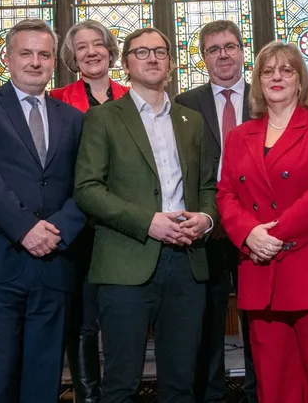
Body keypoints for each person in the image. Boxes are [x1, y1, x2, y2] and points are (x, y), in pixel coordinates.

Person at [74, 27, 217, 403]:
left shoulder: (191, 121)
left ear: (171, 62)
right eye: (141, 52)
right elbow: (87, 189)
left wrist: (206, 219)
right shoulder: (103, 118)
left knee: (181, 383)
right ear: (125, 63)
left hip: (187, 263)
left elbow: (207, 188)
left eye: (160, 51)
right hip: (126, 262)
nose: (152, 58)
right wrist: (147, 221)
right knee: (121, 384)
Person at [216, 41, 308, 402]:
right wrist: (248, 233)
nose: (276, 77)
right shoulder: (238, 137)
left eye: (286, 70)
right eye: (268, 71)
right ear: (258, 82)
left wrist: (272, 235)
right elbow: (225, 194)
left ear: (300, 81)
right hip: (260, 273)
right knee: (274, 386)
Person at [0, 19, 86, 403]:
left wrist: (58, 229)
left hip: (53, 266)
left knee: (42, 385)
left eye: (44, 54)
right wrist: (25, 228)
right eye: (25, 53)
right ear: (8, 59)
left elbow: (87, 185)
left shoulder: (72, 119)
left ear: (54, 63)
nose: (35, 62)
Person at [174, 20, 257, 403]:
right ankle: (212, 396)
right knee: (207, 323)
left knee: (259, 321)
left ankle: (261, 392)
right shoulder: (185, 104)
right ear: (203, 57)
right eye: (213, 49)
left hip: (259, 226)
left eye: (230, 46)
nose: (223, 54)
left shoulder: (264, 96)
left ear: (243, 51)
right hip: (208, 229)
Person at [51, 19, 130, 403]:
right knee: (82, 320)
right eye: (82, 47)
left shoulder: (133, 96)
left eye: (98, 44)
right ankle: (88, 396)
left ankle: (119, 392)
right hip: (79, 222)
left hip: (126, 223)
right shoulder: (57, 98)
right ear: (72, 57)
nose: (91, 52)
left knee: (122, 316)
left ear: (111, 51)